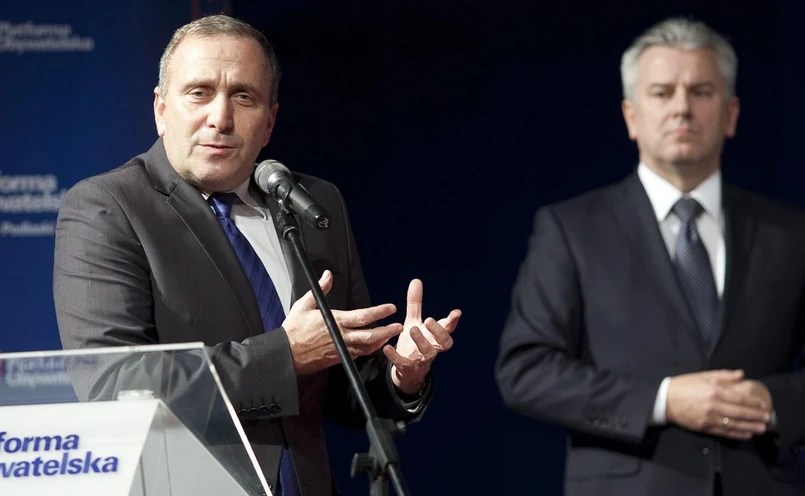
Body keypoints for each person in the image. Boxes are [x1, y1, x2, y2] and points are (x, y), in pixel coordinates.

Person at [53, 14, 461, 496]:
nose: (220, 119)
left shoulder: (313, 203)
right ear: (161, 109)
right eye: (199, 93)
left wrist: (401, 374)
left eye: (243, 97)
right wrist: (284, 355)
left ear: (269, 121)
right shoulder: (109, 207)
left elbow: (343, 388)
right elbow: (115, 385)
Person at [495, 16, 805, 496]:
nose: (682, 107)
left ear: (731, 114)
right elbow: (525, 370)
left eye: (701, 91)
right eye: (662, 93)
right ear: (631, 116)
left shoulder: (790, 233)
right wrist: (663, 400)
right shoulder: (571, 229)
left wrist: (773, 402)